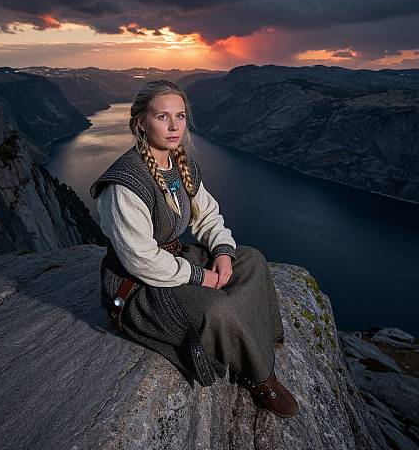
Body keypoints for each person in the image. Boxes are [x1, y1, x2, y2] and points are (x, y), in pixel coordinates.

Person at [89, 79, 299, 418]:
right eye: (162, 117)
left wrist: (223, 254)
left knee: (253, 260)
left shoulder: (180, 166)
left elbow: (207, 217)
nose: (174, 126)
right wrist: (200, 276)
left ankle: (263, 335)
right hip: (138, 284)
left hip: (174, 259)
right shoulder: (124, 183)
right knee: (217, 309)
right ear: (141, 121)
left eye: (180, 116)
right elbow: (141, 260)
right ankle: (262, 377)